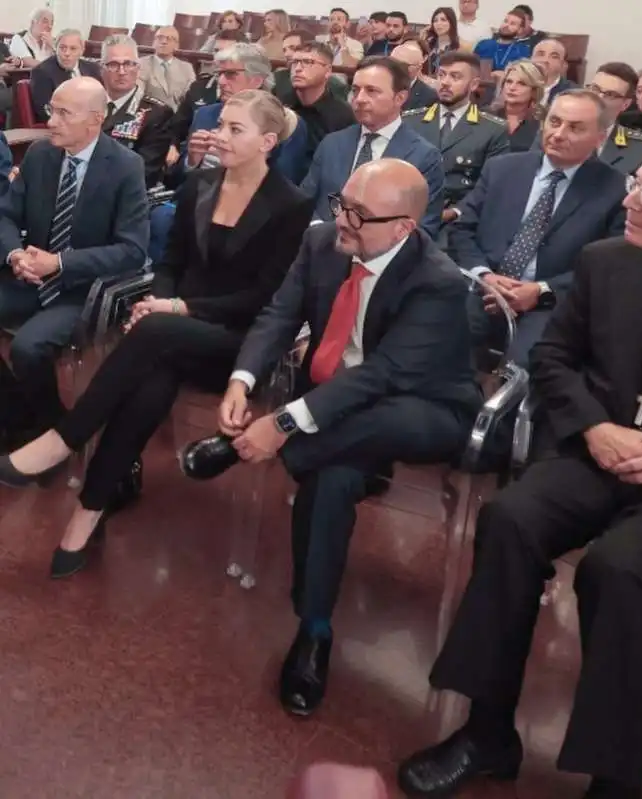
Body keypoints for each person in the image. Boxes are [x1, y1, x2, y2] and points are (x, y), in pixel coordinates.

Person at [398, 140, 642, 799]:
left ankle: (615, 778)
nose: (627, 201)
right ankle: (487, 730)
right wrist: (595, 426)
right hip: (602, 452)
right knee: (510, 518)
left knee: (620, 566)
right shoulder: (608, 262)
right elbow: (554, 361)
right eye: (635, 184)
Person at [181, 158, 483, 717]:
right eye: (341, 203)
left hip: (420, 407)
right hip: (333, 407)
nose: (341, 219)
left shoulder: (435, 281)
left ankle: (258, 449)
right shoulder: (321, 242)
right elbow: (278, 314)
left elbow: (382, 376)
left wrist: (283, 424)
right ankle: (314, 629)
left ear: (403, 228)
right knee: (333, 474)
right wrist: (242, 381)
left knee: (350, 428)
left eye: (359, 214)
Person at [0, 90, 313, 579]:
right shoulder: (202, 184)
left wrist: (176, 307)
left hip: (237, 341)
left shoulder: (291, 205)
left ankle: (65, 439)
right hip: (173, 329)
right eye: (221, 124)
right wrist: (159, 300)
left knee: (155, 336)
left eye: (235, 129)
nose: (217, 135)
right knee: (149, 386)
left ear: (267, 142)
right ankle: (87, 513)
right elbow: (169, 265)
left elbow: (263, 299)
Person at [0, 77, 148, 443]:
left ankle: (57, 430)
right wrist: (15, 253)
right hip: (29, 276)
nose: (51, 121)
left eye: (64, 113)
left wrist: (61, 263)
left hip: (81, 289)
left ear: (95, 119)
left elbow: (132, 250)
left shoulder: (126, 166)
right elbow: (5, 216)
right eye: (52, 109)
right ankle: (18, 415)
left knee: (27, 347)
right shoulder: (40, 155)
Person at [450, 90, 626, 364]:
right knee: (442, 343)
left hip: (550, 303)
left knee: (524, 365)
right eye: (554, 122)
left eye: (575, 128)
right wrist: (484, 276)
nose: (558, 133)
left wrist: (542, 290)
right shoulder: (502, 169)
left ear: (600, 138)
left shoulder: (615, 189)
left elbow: (610, 265)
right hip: (483, 288)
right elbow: (462, 229)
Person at [300, 56, 445, 238]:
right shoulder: (332, 143)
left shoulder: (423, 157)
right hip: (321, 250)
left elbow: (423, 228)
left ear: (400, 98)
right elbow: (304, 202)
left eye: (371, 91)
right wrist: (321, 233)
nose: (359, 99)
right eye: (355, 90)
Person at [181, 44, 310, 185]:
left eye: (231, 74)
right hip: (195, 199)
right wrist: (192, 161)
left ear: (257, 80)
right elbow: (174, 179)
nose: (221, 81)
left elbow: (285, 183)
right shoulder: (204, 114)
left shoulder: (286, 122)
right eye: (220, 74)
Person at [403, 52, 508, 220]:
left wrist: (455, 212)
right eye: (441, 75)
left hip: (458, 222)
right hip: (409, 214)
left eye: (455, 77)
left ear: (473, 85)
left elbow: (490, 186)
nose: (445, 82)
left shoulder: (493, 129)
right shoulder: (410, 121)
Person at [100, 35, 174, 188]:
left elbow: (145, 173)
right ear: (102, 69)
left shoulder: (157, 114)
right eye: (113, 64)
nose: (122, 71)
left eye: (128, 64)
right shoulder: (88, 104)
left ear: (138, 68)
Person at [168, 29, 248, 165]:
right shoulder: (199, 88)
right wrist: (172, 145)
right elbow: (178, 125)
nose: (219, 57)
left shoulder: (255, 98)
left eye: (228, 52)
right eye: (217, 51)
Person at [282, 42, 356, 160]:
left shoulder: (343, 116)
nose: (298, 69)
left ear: (328, 71)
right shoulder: (279, 106)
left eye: (308, 62)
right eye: (294, 62)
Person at [587, 62, 642, 177]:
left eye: (610, 94)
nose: (598, 98)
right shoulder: (558, 132)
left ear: (625, 105)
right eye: (595, 89)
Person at [30, 29, 102, 123]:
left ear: (82, 50)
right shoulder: (42, 72)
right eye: (62, 48)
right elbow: (45, 111)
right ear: (56, 48)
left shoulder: (93, 69)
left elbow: (101, 100)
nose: (67, 53)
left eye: (73, 48)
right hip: (64, 125)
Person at [273, 30, 350, 106]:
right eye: (284, 50)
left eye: (293, 48)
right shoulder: (277, 78)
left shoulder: (335, 86)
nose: (287, 54)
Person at [137, 27, 196, 111]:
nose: (164, 42)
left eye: (169, 39)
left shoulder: (186, 68)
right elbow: (138, 94)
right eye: (160, 38)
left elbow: (190, 96)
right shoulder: (141, 64)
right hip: (150, 115)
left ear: (177, 45)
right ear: (153, 42)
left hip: (177, 118)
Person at [491, 59, 545, 152]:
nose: (512, 88)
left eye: (522, 83)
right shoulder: (486, 116)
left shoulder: (542, 123)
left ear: (534, 91)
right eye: (509, 81)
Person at [474, 10, 530, 78]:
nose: (506, 25)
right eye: (505, 21)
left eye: (512, 24)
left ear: (520, 30)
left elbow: (522, 76)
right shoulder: (484, 44)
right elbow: (471, 67)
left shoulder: (523, 50)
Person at [391, 40, 438, 111]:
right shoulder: (376, 84)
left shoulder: (429, 96)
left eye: (403, 65)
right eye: (392, 62)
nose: (395, 68)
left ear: (419, 67)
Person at [532, 38, 576, 105]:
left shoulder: (573, 93)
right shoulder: (516, 85)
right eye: (540, 54)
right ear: (531, 59)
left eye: (554, 57)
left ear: (563, 65)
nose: (545, 60)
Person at [421, 7, 460, 79]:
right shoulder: (428, 44)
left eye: (443, 20)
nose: (438, 24)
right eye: (435, 21)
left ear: (451, 22)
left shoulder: (458, 48)